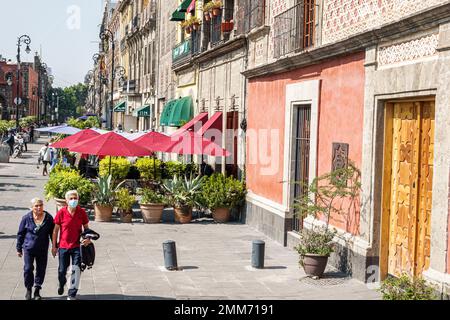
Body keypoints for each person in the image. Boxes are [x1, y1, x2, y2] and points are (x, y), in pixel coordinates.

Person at [52, 190, 91, 300]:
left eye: (75, 198)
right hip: (63, 246)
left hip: (77, 247)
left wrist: (87, 238)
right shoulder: (61, 213)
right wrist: (54, 246)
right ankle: (61, 283)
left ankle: (72, 294)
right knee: (62, 270)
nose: (74, 200)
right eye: (71, 198)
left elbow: (86, 228)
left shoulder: (81, 212)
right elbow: (55, 230)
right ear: (66, 200)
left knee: (76, 270)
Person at [16, 198, 55, 300]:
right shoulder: (26, 218)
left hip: (42, 248)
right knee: (28, 269)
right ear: (31, 207)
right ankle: (28, 289)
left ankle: (37, 290)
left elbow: (52, 234)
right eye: (36, 206)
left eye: (40, 205)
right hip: (28, 248)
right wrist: (18, 248)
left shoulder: (49, 218)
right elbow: (20, 233)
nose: (39, 207)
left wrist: (54, 247)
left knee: (41, 269)